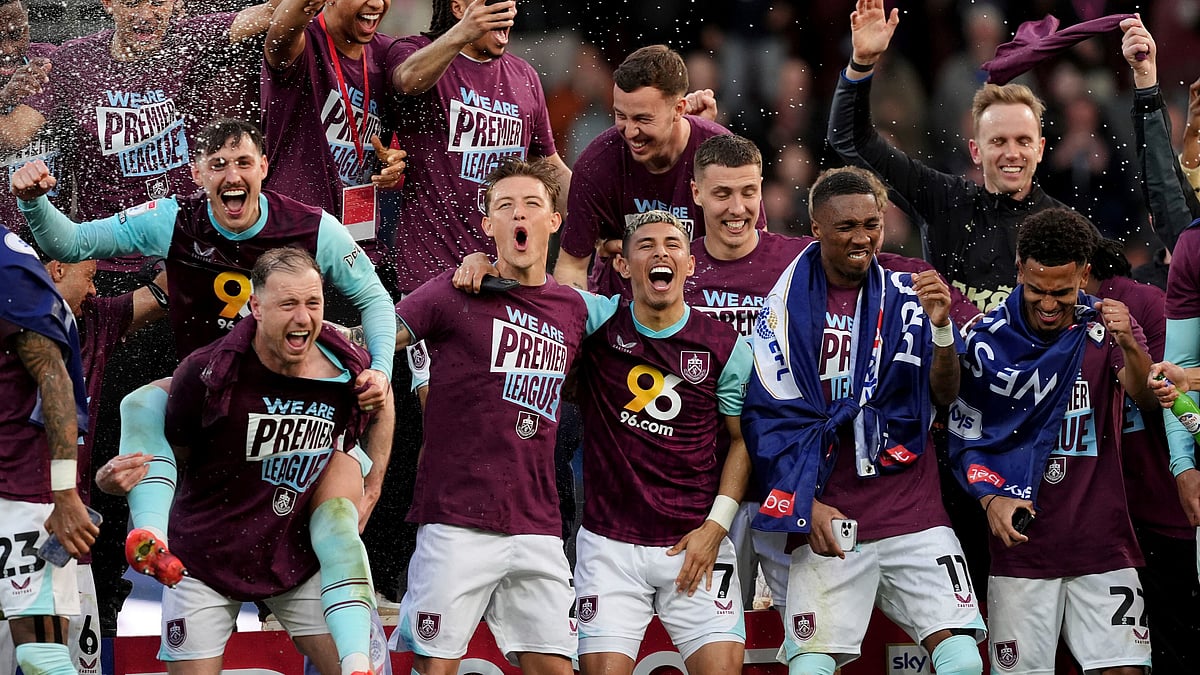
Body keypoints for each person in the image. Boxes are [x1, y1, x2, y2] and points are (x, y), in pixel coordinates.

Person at [684, 136, 979, 613]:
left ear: (763, 193)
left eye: (747, 192)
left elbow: (883, 267)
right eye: (721, 194)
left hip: (791, 483)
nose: (737, 208)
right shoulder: (680, 267)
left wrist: (944, 312)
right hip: (706, 480)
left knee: (794, 632)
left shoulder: (802, 258)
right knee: (712, 635)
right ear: (696, 194)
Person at [741, 167, 985, 675]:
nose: (861, 237)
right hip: (830, 514)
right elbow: (767, 420)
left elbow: (945, 394)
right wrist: (806, 503)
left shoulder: (910, 287)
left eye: (871, 224)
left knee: (962, 660)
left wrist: (942, 330)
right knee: (809, 667)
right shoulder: (782, 307)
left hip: (910, 511)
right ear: (816, 229)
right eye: (845, 226)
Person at [388, 158, 614, 675]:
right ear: (488, 225)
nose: (520, 214)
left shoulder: (578, 308)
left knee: (556, 668)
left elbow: (651, 320)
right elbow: (382, 338)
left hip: (537, 523)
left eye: (533, 204)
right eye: (504, 206)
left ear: (554, 221)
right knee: (434, 667)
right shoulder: (452, 291)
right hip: (455, 521)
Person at [115, 247, 387, 675]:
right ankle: (152, 533)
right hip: (207, 555)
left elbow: (381, 399)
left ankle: (357, 664)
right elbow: (180, 450)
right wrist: (121, 481)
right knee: (143, 402)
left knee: (340, 528)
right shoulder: (208, 371)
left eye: (313, 303)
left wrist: (372, 489)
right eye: (288, 304)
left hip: (293, 552)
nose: (303, 318)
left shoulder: (345, 365)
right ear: (256, 307)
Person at [947, 208, 1156, 675]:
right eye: (1037, 289)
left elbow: (1143, 393)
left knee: (1124, 671)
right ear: (1018, 268)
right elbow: (966, 437)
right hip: (1024, 551)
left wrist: (1130, 344)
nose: (1047, 304)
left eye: (1061, 293)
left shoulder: (1106, 330)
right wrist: (987, 499)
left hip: (1103, 544)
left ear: (1084, 274)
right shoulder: (984, 341)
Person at [572, 209, 752, 675]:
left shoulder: (725, 347)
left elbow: (742, 442)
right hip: (610, 546)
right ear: (624, 266)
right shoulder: (595, 322)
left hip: (695, 541)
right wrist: (481, 263)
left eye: (673, 244)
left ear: (690, 264)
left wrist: (716, 527)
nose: (661, 253)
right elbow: (531, 294)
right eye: (646, 245)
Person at [828, 0, 1066, 313]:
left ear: (1040, 148)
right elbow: (849, 139)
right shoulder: (944, 199)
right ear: (975, 150)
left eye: (1023, 140)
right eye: (998, 140)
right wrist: (861, 63)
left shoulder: (1065, 228)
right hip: (944, 358)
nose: (1012, 153)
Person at [386, 0, 570, 296]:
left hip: (504, 279)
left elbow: (549, 166)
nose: (508, 11)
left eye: (509, 4)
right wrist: (462, 33)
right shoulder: (414, 51)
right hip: (431, 279)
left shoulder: (525, 76)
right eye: (493, 4)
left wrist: (600, 219)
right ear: (459, 8)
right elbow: (407, 81)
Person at [556, 44, 763, 296]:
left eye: (643, 119)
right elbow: (571, 267)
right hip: (619, 310)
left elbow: (754, 251)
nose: (630, 132)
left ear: (679, 110)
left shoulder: (718, 154)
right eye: (621, 115)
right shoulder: (596, 164)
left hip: (705, 305)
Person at [1086, 238, 1200, 673]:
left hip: (1157, 514)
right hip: (1111, 520)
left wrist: (1183, 466)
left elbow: (1161, 392)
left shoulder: (1141, 303)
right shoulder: (1038, 315)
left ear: (1083, 265)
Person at [0, 223, 96, 675]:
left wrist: (64, 492)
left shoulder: (7, 266)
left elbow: (53, 378)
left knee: (40, 654)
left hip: (19, 490)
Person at [262, 0, 407, 268]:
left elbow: (398, 148)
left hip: (360, 249)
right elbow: (280, 30)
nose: (376, 3)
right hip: (292, 246)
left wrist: (395, 165)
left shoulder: (388, 53)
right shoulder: (302, 40)